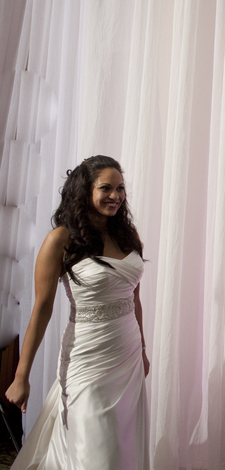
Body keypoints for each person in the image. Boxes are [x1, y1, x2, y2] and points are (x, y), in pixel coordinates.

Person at [5, 155, 150, 469]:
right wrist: (21, 376)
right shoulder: (61, 240)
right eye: (106, 188)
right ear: (85, 191)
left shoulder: (129, 236)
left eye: (121, 188)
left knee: (121, 445)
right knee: (93, 446)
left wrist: (143, 349)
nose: (116, 196)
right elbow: (41, 309)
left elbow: (133, 299)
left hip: (127, 355)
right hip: (87, 356)